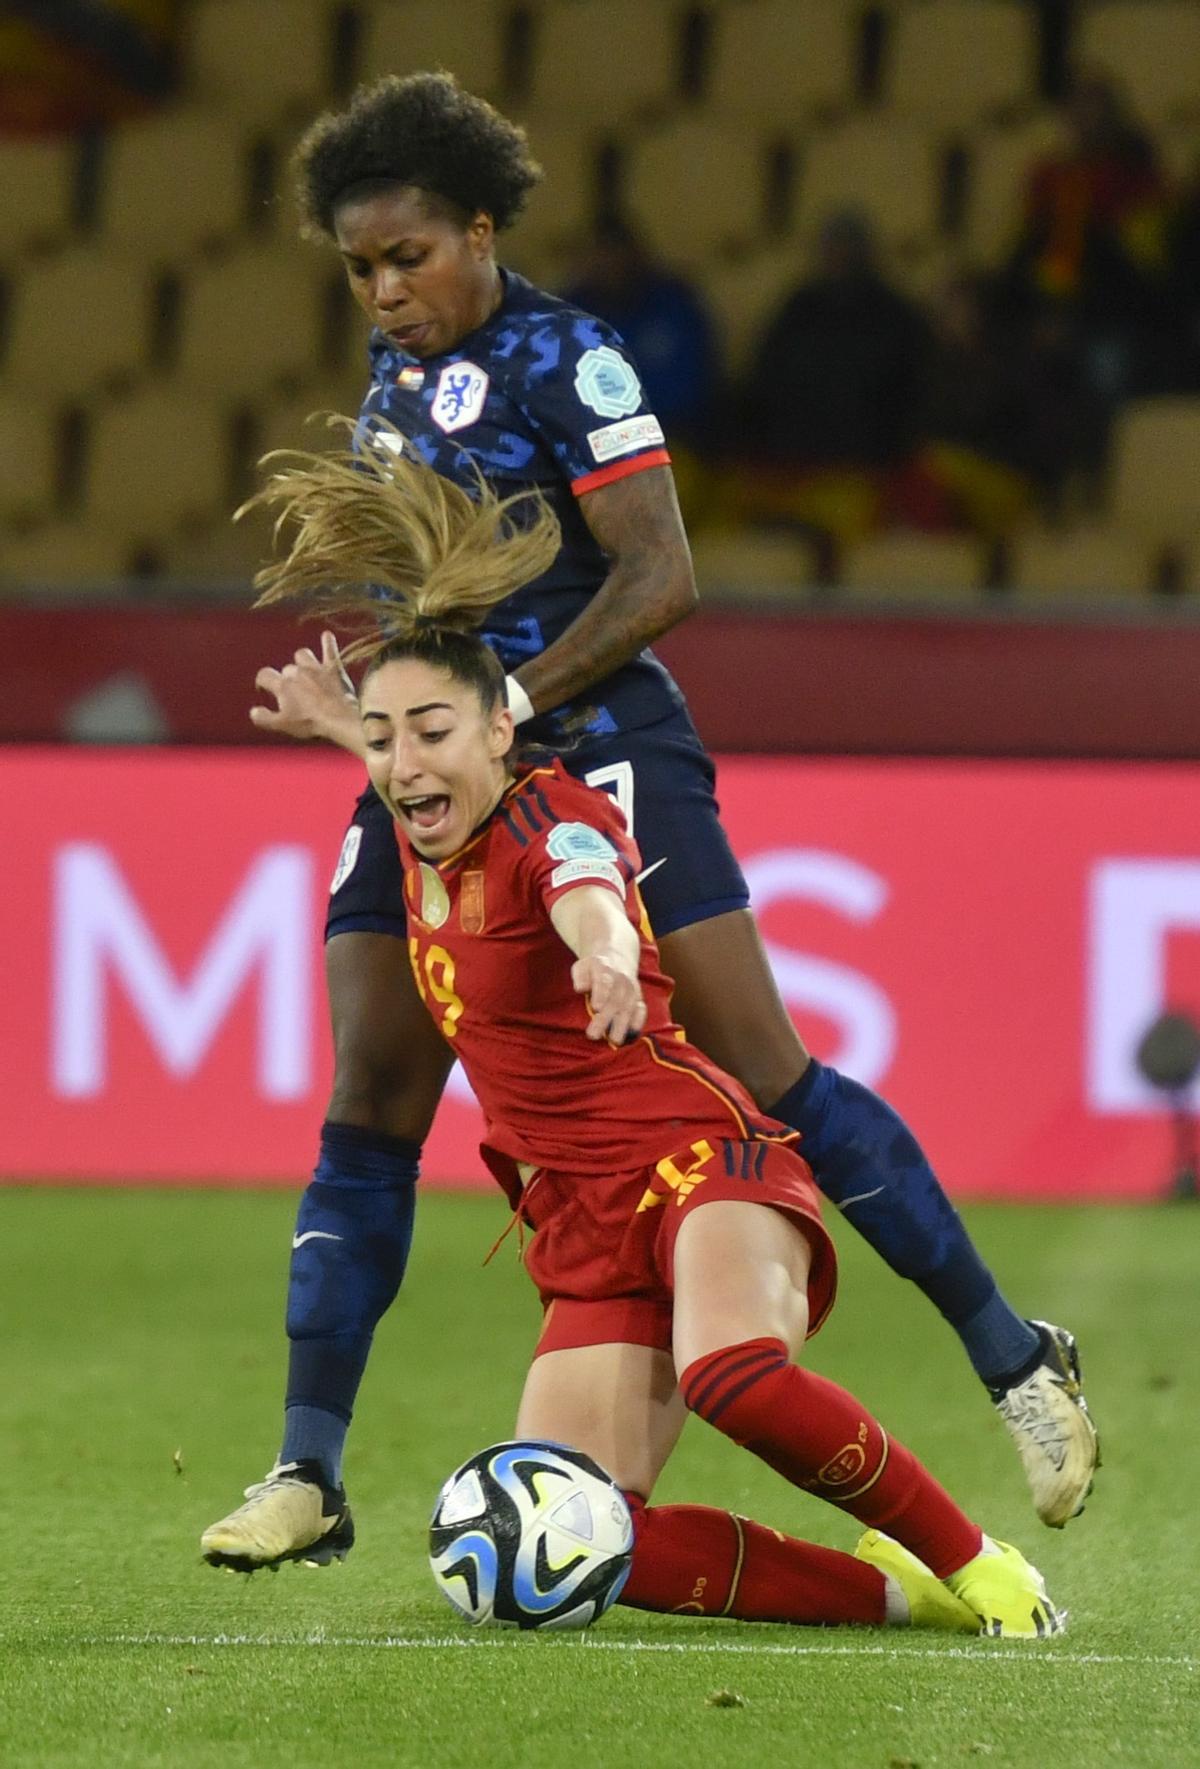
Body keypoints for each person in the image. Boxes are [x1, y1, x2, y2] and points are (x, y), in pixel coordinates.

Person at [201, 73, 1096, 1572]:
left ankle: (1015, 1355)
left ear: (479, 234)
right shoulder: (390, 382)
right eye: (360, 268)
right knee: (369, 1091)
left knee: (764, 1062)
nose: (386, 288)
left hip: (603, 744)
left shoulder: (570, 354)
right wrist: (385, 716)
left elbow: (660, 574)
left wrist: (507, 711)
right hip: (452, 765)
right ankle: (308, 1469)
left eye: (408, 256)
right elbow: (429, 616)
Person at [204, 437, 1065, 1640]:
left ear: (502, 732)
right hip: (583, 1221)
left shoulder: (550, 806)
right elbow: (405, 757)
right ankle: (889, 1591)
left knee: (731, 1374)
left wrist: (606, 943)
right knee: (588, 1537)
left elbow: (584, 876)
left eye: (430, 730)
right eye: (382, 736)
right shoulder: (420, 807)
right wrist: (335, 723)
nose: (402, 759)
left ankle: (977, 1560)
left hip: (702, 1161)